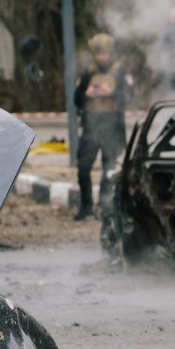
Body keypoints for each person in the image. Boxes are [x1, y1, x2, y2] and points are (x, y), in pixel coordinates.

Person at [74, 33, 130, 222]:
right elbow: (76, 98)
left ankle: (105, 207)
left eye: (104, 53)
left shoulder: (119, 71)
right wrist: (86, 94)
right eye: (98, 54)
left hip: (112, 127)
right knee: (83, 167)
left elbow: (128, 97)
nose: (101, 57)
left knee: (109, 169)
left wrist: (112, 94)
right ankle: (86, 206)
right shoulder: (88, 72)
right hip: (91, 126)